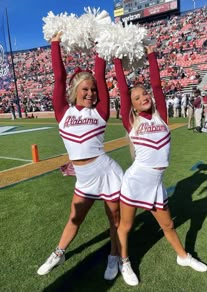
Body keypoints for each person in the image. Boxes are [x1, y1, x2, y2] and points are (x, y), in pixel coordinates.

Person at [113, 46, 207, 287]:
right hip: (135, 182)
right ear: (132, 106)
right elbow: (123, 92)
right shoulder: (131, 121)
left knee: (168, 224)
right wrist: (116, 57)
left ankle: (183, 257)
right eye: (137, 97)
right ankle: (124, 262)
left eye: (145, 94)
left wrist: (152, 55)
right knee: (126, 225)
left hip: (155, 184)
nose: (144, 97)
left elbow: (157, 86)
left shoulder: (161, 116)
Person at [37, 32, 124, 280]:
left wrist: (100, 46)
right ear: (75, 90)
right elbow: (59, 77)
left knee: (114, 219)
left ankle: (114, 257)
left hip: (107, 173)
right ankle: (59, 252)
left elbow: (100, 75)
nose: (90, 93)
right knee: (75, 219)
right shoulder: (62, 112)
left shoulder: (101, 112)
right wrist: (55, 43)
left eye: (93, 90)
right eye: (85, 89)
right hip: (84, 177)